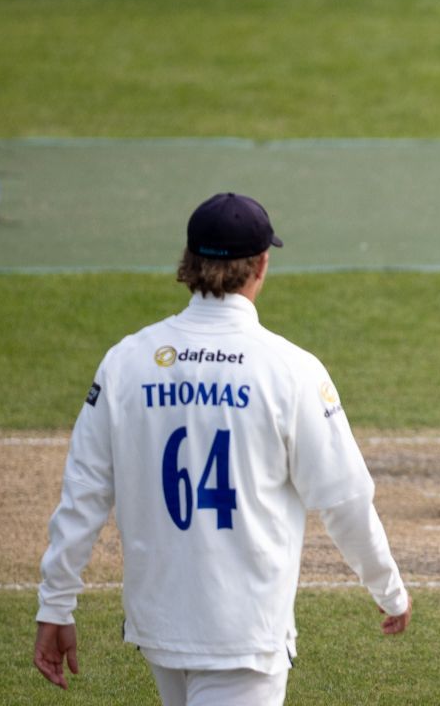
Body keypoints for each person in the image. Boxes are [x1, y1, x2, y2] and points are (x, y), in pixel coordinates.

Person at [33, 192, 411, 705]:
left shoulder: (126, 362)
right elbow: (343, 501)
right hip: (245, 634)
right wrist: (387, 588)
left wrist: (56, 605)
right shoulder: (291, 370)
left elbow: (84, 492)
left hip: (159, 627)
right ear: (261, 265)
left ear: (189, 263)